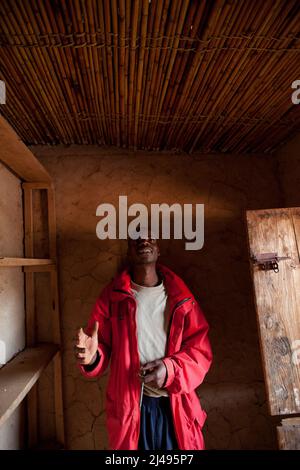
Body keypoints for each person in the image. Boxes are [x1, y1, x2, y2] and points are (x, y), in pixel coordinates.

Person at [74, 233, 212, 450]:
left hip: (175, 406)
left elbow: (200, 353)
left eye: (151, 239)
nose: (144, 242)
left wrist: (169, 370)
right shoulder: (112, 297)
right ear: (129, 251)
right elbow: (100, 346)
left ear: (158, 251)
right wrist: (93, 358)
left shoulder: (181, 297)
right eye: (136, 239)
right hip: (132, 409)